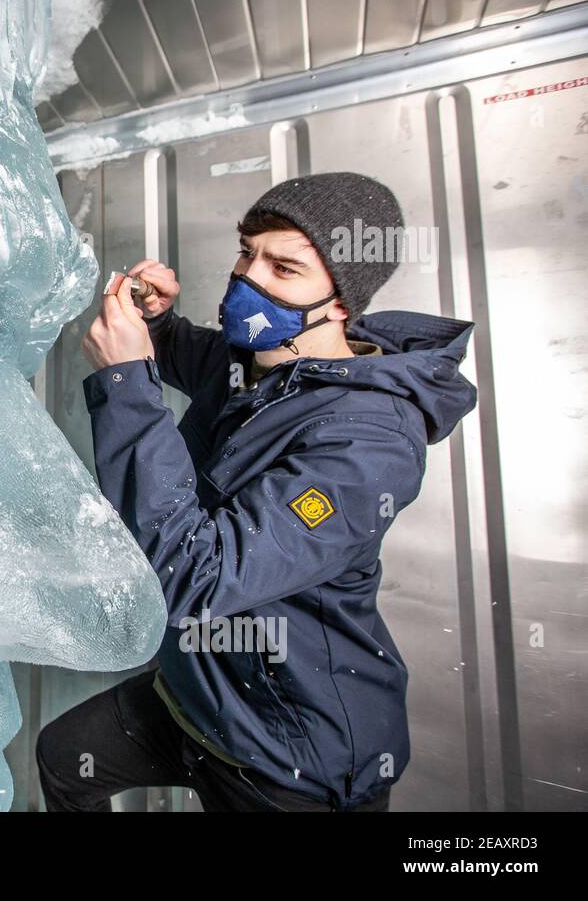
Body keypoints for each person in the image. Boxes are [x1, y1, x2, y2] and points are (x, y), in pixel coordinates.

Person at [36, 171, 479, 811]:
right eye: (247, 252)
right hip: (198, 692)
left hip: (289, 754)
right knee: (64, 760)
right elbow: (204, 358)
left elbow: (195, 580)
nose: (250, 280)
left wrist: (127, 384)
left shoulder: (369, 444)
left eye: (285, 268)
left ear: (342, 302)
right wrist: (156, 325)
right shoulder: (265, 364)